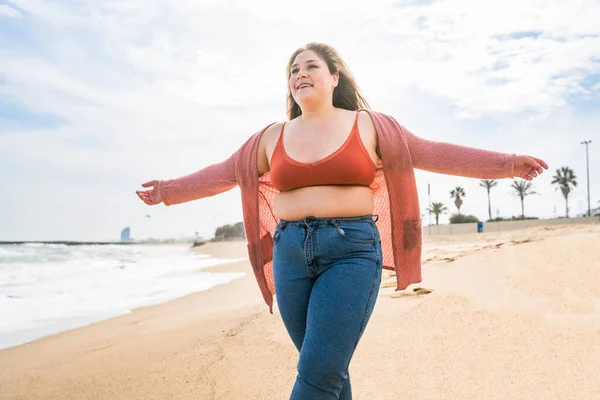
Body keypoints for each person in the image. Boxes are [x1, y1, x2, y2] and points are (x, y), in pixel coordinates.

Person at [136, 42, 548, 399]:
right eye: (293, 70)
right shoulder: (270, 137)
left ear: (334, 77)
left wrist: (508, 164)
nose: (300, 74)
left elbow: (434, 152)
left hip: (351, 251)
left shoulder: (369, 125)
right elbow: (220, 174)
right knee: (329, 374)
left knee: (317, 376)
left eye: (311, 66)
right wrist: (166, 191)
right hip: (290, 254)